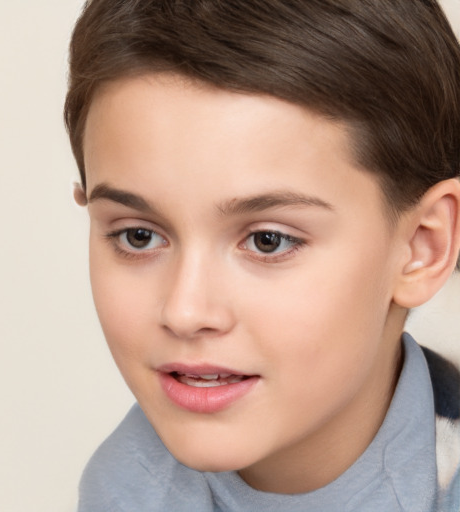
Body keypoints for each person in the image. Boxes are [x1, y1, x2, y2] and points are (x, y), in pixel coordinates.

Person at [64, 1, 460, 510]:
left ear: (423, 247)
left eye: (267, 240)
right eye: (138, 236)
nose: (185, 312)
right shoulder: (124, 489)